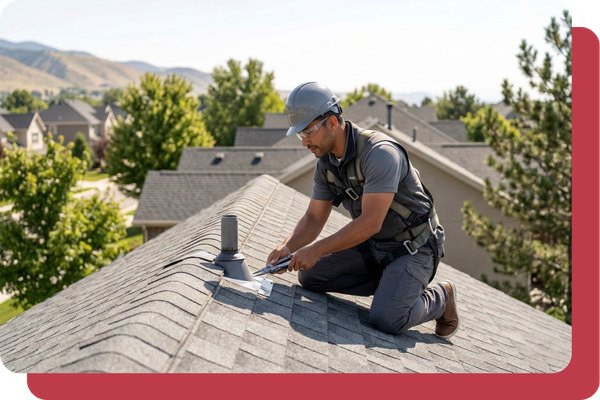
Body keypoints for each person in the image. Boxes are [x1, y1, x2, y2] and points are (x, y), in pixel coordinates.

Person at [266, 82, 459, 338]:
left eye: (308, 132)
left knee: (387, 319)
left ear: (332, 123)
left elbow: (370, 223)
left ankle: (441, 297)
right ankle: (395, 286)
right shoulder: (327, 165)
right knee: (310, 275)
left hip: (414, 247)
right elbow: (314, 218)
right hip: (375, 247)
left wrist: (316, 249)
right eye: (301, 135)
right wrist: (288, 248)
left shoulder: (380, 153)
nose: (305, 142)